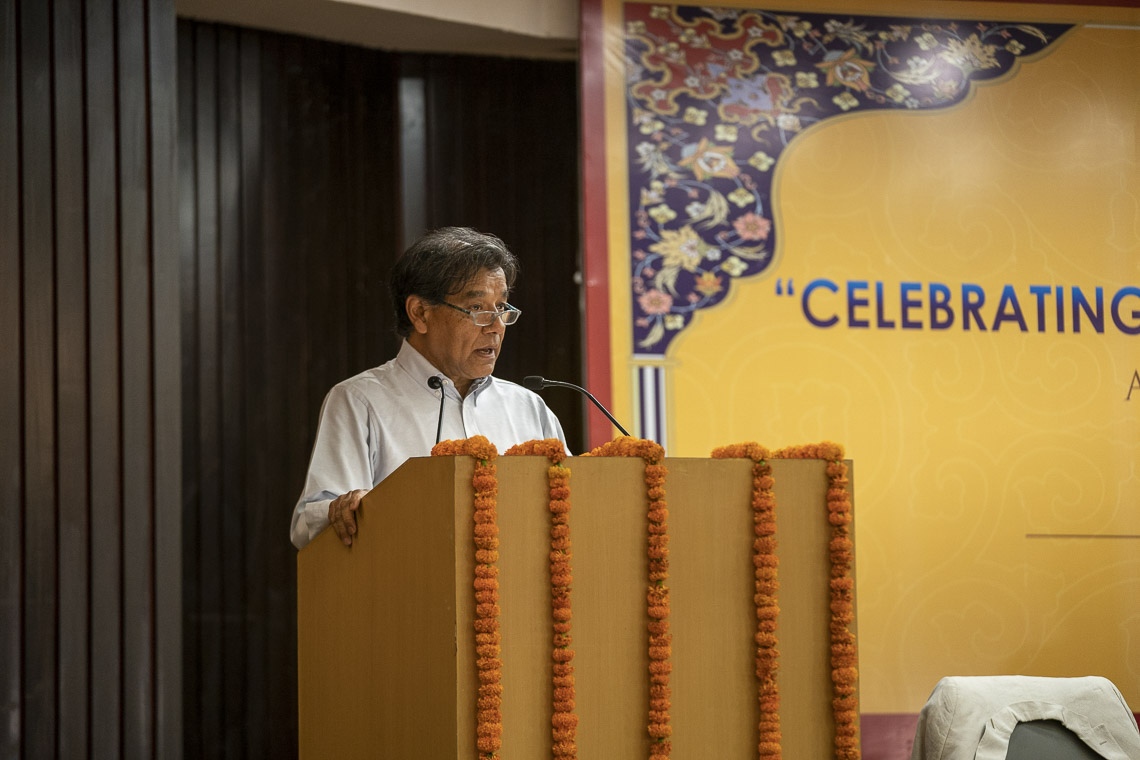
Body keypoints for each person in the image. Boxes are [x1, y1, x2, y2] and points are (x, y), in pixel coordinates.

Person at [290, 227, 567, 549]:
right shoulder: (360, 401)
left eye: (502, 308)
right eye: (477, 309)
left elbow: (571, 508)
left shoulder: (527, 407)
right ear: (420, 313)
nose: (495, 327)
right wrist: (344, 509)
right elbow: (306, 527)